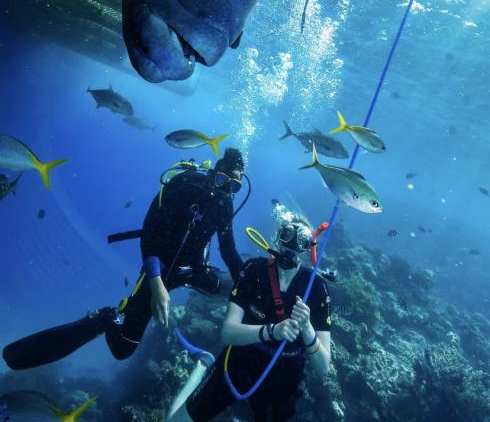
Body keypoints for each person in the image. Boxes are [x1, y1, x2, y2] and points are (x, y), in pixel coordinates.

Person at [3, 148, 246, 370]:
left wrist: (246, 286)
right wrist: (156, 283)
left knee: (238, 287)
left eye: (232, 186)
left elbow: (229, 251)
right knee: (123, 349)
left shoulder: (225, 206)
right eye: (221, 180)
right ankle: (106, 318)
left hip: (191, 269)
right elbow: (149, 235)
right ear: (213, 172)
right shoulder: (183, 186)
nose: (224, 189)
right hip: (158, 268)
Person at [168, 213, 332, 422]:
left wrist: (307, 329)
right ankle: (203, 364)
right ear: (278, 237)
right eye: (287, 234)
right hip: (237, 365)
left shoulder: (316, 288)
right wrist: (272, 330)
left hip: (282, 383)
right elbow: (227, 333)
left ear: (309, 247)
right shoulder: (254, 270)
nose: (291, 244)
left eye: (301, 239)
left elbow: (323, 367)